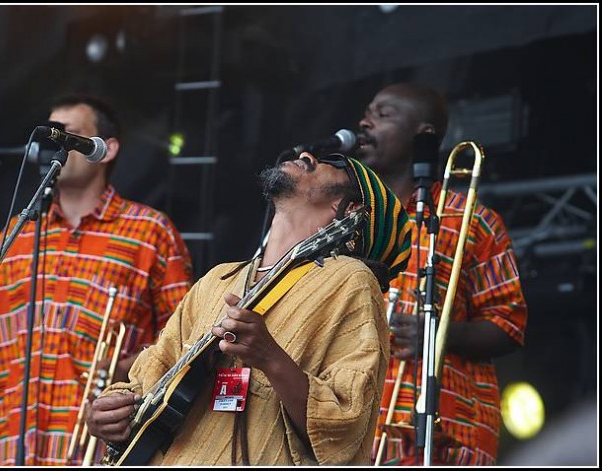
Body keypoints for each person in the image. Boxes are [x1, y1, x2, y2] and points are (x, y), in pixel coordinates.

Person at [0, 94, 194, 466]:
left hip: (101, 454)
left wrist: (131, 366)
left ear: (104, 150)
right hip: (13, 452)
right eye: (50, 133)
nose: (52, 143)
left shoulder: (150, 231)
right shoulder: (17, 234)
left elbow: (186, 340)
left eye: (67, 134)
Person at [85, 152, 413, 466]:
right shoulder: (219, 278)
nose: (308, 156)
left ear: (349, 208)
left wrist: (269, 356)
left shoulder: (350, 281)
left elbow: (346, 426)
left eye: (334, 163)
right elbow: (155, 371)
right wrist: (113, 412)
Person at [354, 82, 528, 465]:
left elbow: (508, 325)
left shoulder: (473, 220)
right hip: (354, 429)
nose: (365, 123)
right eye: (367, 113)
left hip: (447, 431)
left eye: (383, 115)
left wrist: (439, 333)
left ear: (423, 134)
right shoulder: (348, 221)